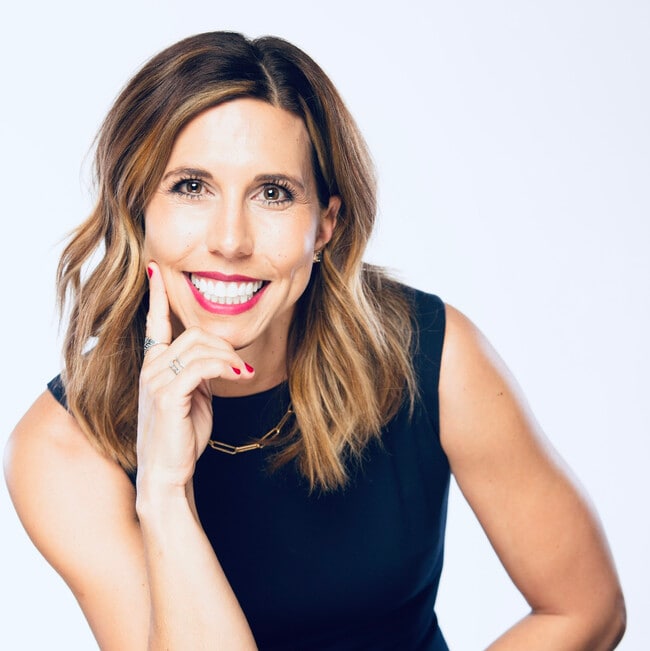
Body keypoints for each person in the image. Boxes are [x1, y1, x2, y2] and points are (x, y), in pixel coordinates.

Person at [4, 31, 625, 650]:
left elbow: (584, 609)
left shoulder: (431, 358)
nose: (230, 241)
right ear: (137, 207)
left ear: (325, 224)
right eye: (191, 186)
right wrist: (165, 496)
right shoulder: (63, 445)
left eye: (273, 194)